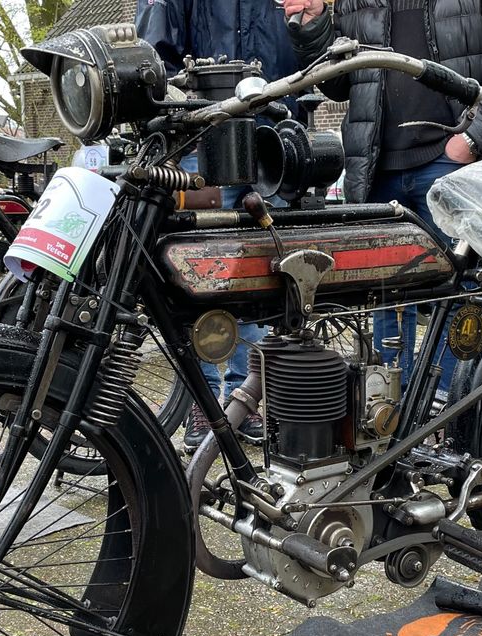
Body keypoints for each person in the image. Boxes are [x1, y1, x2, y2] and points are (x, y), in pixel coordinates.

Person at [281, 0, 482, 383]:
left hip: (455, 164)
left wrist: (472, 141)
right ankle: (400, 414)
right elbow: (340, 81)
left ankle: (451, 420)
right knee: (387, 299)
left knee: (461, 301)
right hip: (377, 171)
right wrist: (313, 26)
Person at [137, 0, 301, 449]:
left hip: (277, 138)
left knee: (276, 276)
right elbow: (157, 51)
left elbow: (310, 49)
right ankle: (207, 402)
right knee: (203, 272)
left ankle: (254, 400)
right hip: (207, 137)